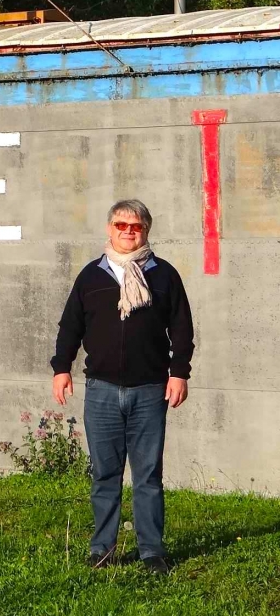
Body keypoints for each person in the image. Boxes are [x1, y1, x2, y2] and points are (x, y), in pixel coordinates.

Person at [50, 199, 194, 575]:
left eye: (136, 226)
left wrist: (179, 372)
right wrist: (60, 368)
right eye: (121, 225)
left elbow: (181, 328)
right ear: (109, 229)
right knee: (104, 474)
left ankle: (151, 552)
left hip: (150, 389)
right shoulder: (91, 277)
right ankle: (103, 549)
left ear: (146, 230)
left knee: (148, 475)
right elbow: (70, 327)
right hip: (101, 391)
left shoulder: (163, 275)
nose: (128, 231)